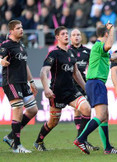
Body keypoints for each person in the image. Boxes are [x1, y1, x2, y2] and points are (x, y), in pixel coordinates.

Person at [33, 26, 92, 152]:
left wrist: (86, 88)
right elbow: (43, 72)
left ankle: (80, 140)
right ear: (57, 37)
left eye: (67, 33)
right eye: (63, 34)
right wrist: (46, 88)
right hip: (57, 93)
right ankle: (38, 141)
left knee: (86, 109)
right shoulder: (54, 53)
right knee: (53, 122)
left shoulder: (71, 53)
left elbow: (76, 74)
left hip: (71, 91)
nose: (66, 35)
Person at [74, 23, 117, 155]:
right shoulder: (99, 46)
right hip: (96, 83)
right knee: (101, 115)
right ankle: (81, 139)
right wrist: (112, 30)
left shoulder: (100, 50)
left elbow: (112, 56)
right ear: (106, 34)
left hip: (96, 83)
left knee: (105, 116)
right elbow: (108, 46)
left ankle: (107, 148)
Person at [0, 20, 38, 153]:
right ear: (11, 31)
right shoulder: (6, 45)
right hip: (11, 81)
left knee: (33, 110)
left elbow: (25, 64)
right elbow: (0, 56)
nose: (21, 30)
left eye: (22, 27)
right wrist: (1, 61)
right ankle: (17, 146)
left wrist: (32, 81)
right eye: (18, 28)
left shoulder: (21, 45)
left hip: (23, 82)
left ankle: (10, 137)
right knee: (17, 110)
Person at [69, 28, 99, 151]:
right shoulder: (67, 51)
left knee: (82, 110)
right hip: (70, 84)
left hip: (83, 83)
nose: (76, 37)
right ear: (71, 38)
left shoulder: (88, 51)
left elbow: (92, 67)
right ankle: (81, 138)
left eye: (78, 35)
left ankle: (81, 138)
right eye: (74, 35)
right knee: (77, 110)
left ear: (81, 37)